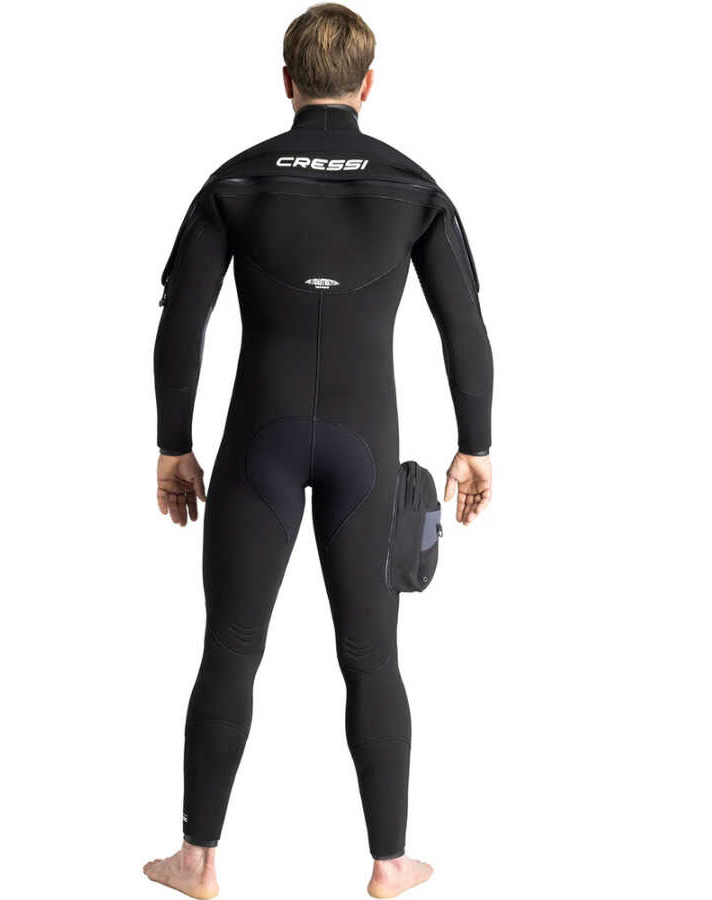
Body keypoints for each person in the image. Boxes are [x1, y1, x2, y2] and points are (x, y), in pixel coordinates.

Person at [144, 4, 493, 897]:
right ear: (368, 85)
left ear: (286, 83)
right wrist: (475, 445)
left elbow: (182, 324)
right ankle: (389, 864)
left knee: (230, 648)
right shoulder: (414, 188)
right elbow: (465, 328)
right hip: (365, 447)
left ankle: (197, 860)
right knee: (373, 658)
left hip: (256, 443)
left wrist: (174, 447)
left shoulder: (236, 181)